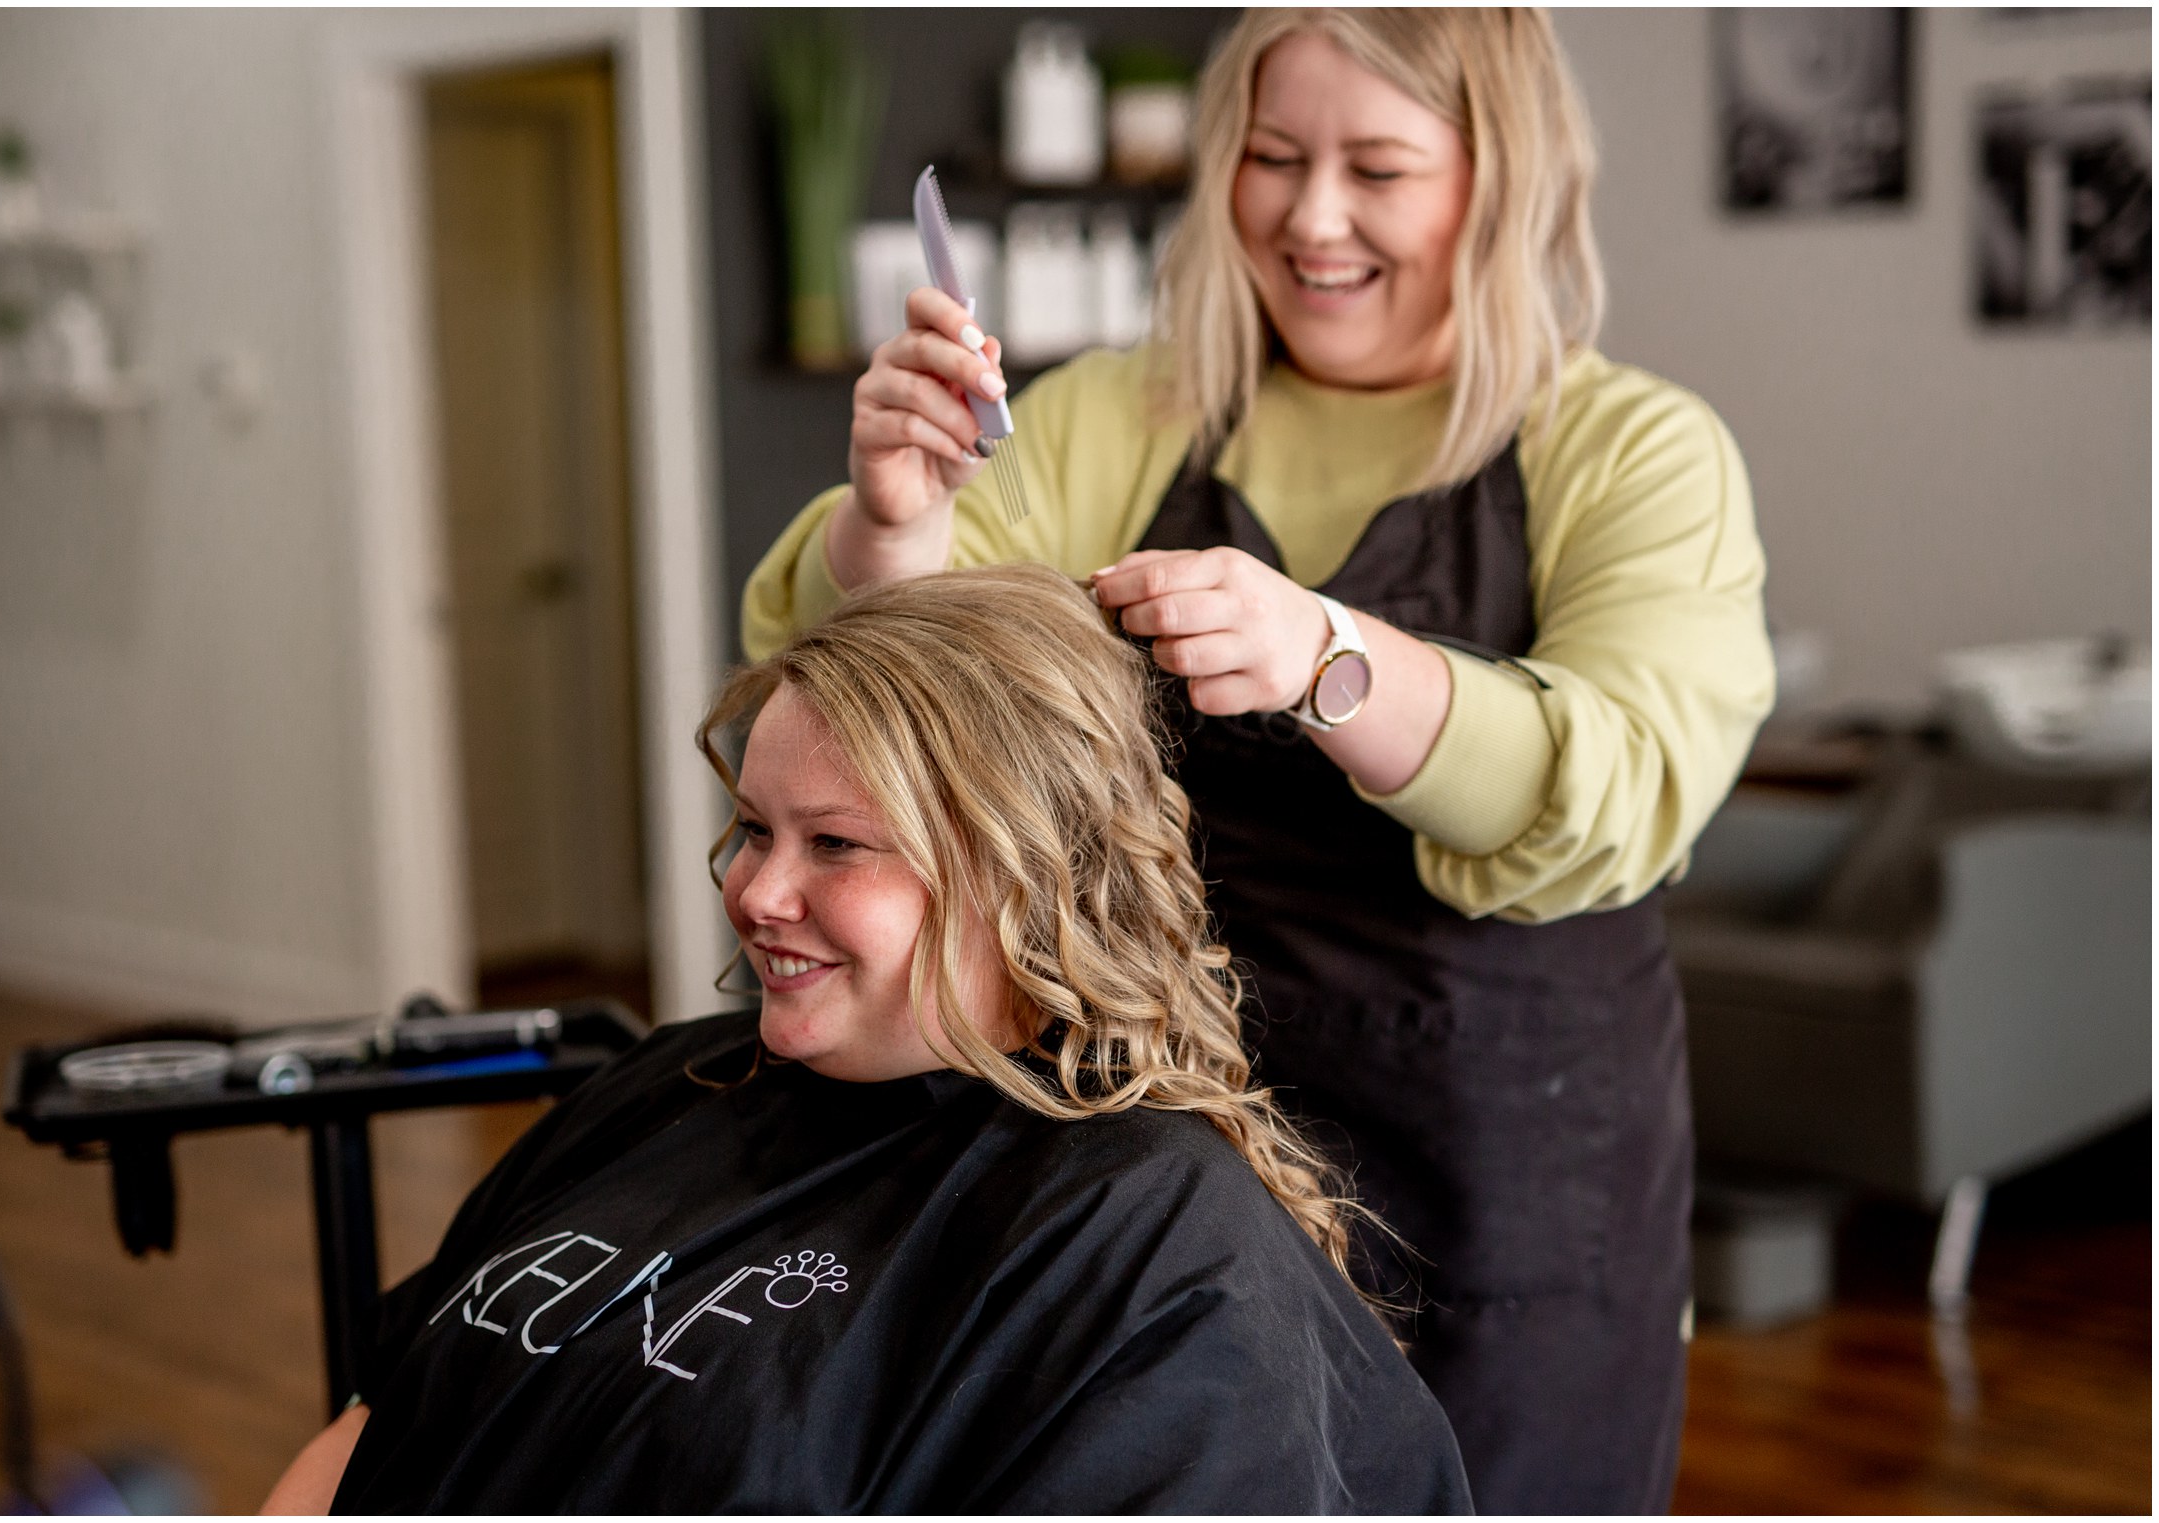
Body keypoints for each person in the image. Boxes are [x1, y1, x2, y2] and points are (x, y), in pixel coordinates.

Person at [741, 9, 1775, 1514]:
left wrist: (1327, 661)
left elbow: (1617, 788)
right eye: (1274, 158)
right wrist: (894, 528)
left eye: (1379, 166)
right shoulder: (1115, 414)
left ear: (1503, 181)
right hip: (1161, 1157)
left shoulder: (1632, 451)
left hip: (1506, 1183)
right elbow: (902, 713)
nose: (1312, 215)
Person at [262, 564, 1471, 1515]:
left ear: (1024, 874)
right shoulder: (658, 1085)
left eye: (834, 844)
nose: (754, 890)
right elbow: (375, 1425)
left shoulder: (1153, 1254)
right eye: (751, 828)